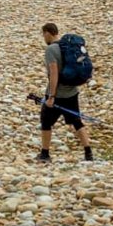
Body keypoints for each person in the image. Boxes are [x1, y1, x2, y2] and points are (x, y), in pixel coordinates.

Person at [39, 23, 92, 162]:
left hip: (57, 94)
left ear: (48, 33)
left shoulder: (51, 49)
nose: (43, 37)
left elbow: (54, 73)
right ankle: (88, 152)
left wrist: (51, 96)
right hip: (72, 92)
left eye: (43, 34)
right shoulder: (67, 47)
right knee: (76, 121)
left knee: (45, 121)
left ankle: (45, 154)